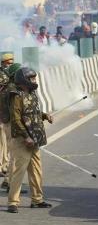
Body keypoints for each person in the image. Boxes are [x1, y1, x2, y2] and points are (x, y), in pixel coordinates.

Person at [7, 67, 53, 213]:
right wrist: (25, 136)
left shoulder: (32, 93)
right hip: (22, 140)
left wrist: (44, 115)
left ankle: (37, 199)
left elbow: (33, 113)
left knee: (36, 171)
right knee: (19, 171)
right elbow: (16, 118)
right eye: (31, 78)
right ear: (23, 80)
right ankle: (13, 202)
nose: (34, 80)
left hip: (34, 138)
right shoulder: (16, 96)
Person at [0, 53, 14, 180]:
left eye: (12, 63)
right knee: (4, 143)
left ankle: (4, 168)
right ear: (3, 63)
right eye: (8, 63)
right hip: (2, 116)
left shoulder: (8, 75)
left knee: (6, 144)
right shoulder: (2, 75)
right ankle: (3, 167)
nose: (10, 65)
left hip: (5, 115)